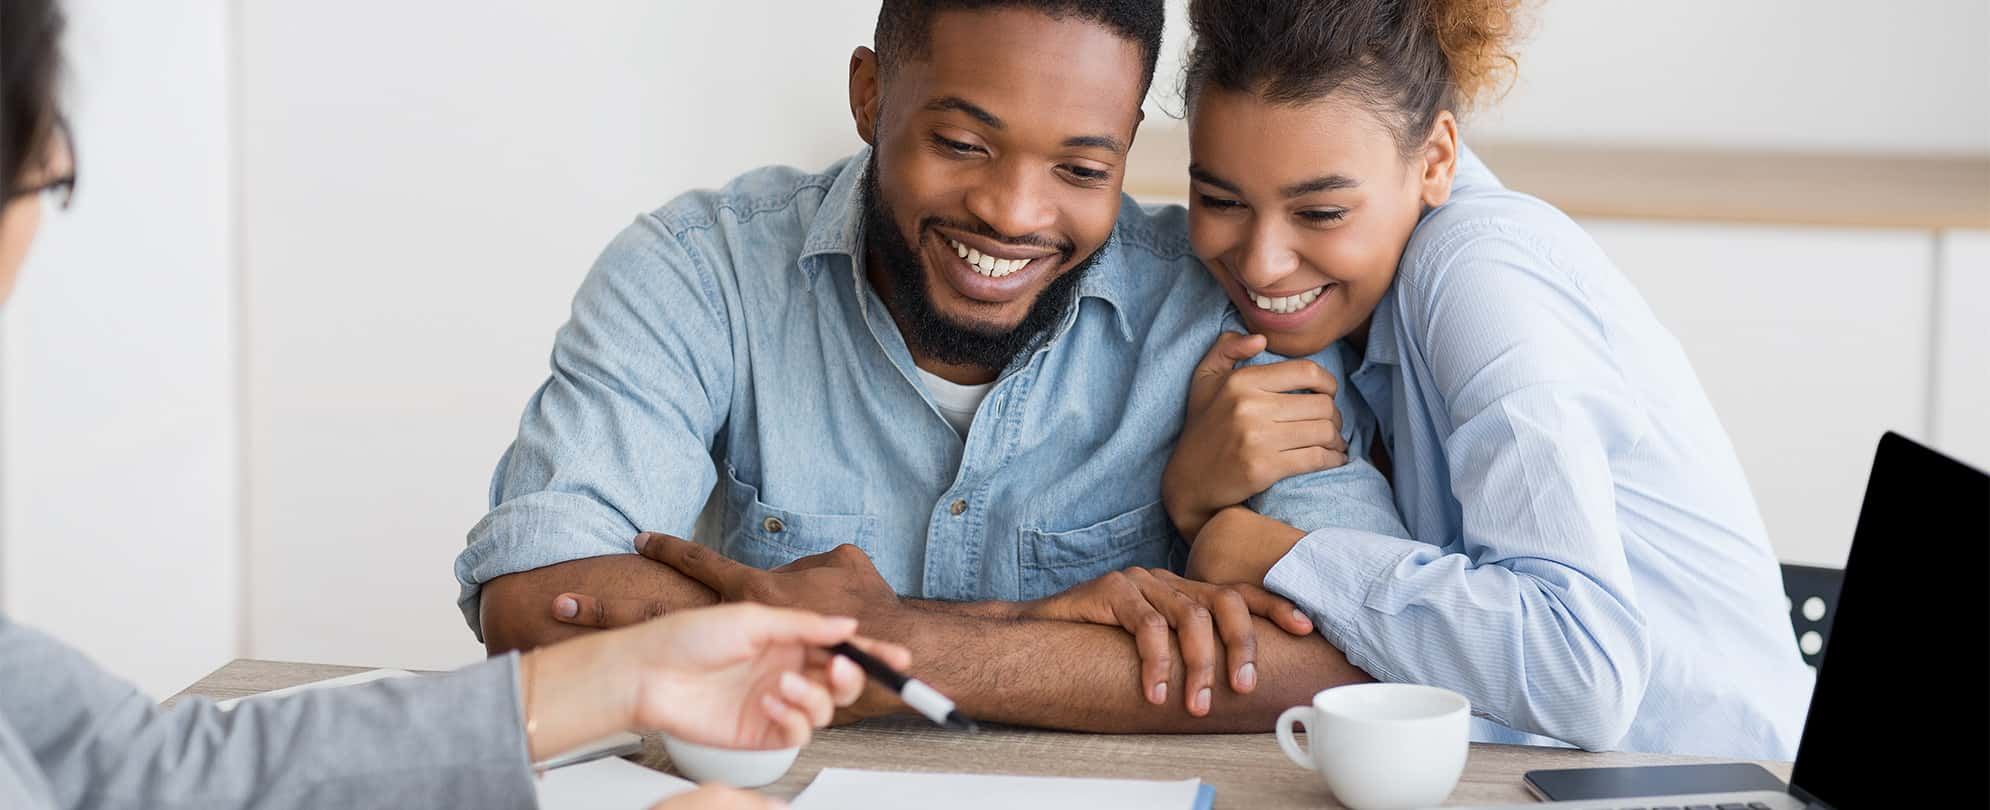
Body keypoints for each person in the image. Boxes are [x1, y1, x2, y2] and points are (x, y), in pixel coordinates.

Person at [0, 2, 907, 808]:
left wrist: (631, 669)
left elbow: (145, 770)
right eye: (47, 177)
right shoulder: (700, 262)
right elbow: (538, 590)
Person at [459, 0, 1413, 731]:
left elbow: (1354, 659)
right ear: (870, 96)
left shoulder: (1220, 313)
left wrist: (897, 641)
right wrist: (1035, 631)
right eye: (962, 144)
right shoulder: (699, 271)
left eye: (1082, 169)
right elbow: (542, 602)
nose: (1012, 212)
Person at [1160, 0, 1813, 758]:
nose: (1263, 261)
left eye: (1323, 211)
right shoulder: (1341, 307)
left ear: (1435, 160)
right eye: (1219, 200)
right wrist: (1192, 505)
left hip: (1718, 779)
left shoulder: (1477, 269)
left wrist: (1274, 553)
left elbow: (1582, 673)